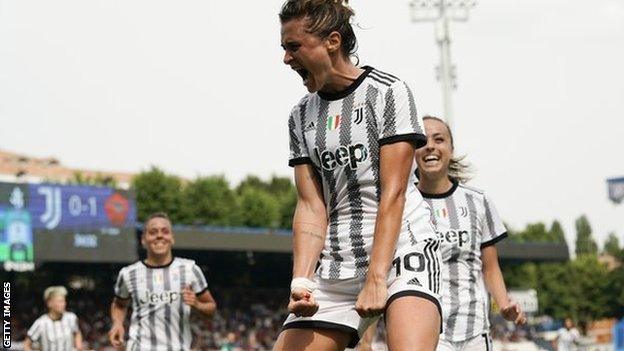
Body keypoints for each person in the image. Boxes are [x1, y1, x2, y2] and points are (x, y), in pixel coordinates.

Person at [275, 1, 442, 350]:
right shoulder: (300, 116)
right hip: (338, 263)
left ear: (332, 42)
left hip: (400, 251)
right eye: (284, 49)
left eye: (294, 47)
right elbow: (310, 206)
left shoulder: (387, 92)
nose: (286, 59)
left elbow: (393, 193)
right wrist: (302, 282)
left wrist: (377, 277)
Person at [413, 116, 526, 351]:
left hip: (474, 331)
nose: (430, 146)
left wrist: (504, 304)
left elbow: (490, 267)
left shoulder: (478, 201)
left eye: (439, 139)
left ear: (451, 150)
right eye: (422, 140)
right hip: (427, 330)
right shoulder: (403, 204)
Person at [108, 212, 217, 350]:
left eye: (165, 232)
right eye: (153, 232)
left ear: (172, 238)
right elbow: (119, 304)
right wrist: (117, 323)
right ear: (143, 240)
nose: (159, 235)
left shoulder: (190, 270)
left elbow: (211, 308)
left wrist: (196, 304)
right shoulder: (128, 274)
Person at [24, 286, 83, 351]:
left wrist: (79, 347)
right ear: (49, 303)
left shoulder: (71, 318)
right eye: (60, 301)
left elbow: (77, 332)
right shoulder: (41, 323)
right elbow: (26, 345)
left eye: (64, 301)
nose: (64, 304)